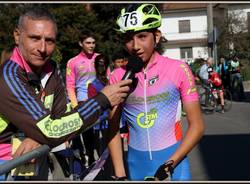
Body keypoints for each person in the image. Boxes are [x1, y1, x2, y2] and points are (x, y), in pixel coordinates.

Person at [0, 8, 132, 180]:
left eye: (49, 41)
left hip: (34, 158)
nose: (42, 48)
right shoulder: (9, 75)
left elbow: (64, 118)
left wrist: (38, 136)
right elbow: (52, 131)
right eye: (35, 38)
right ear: (17, 36)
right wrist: (102, 101)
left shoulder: (51, 68)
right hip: (5, 166)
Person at [107, 3, 204, 181]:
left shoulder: (178, 69)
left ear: (156, 36)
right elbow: (112, 128)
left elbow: (197, 126)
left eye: (142, 36)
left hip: (174, 164)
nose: (135, 45)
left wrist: (171, 163)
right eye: (128, 38)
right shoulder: (118, 76)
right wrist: (120, 174)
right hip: (136, 164)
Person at [66, 30, 99, 170]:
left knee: (101, 131)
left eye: (93, 43)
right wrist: (75, 105)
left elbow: (107, 79)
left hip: (100, 98)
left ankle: (102, 158)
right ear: (81, 44)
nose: (91, 45)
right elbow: (70, 85)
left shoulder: (100, 58)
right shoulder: (72, 62)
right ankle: (90, 157)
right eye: (88, 43)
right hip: (82, 101)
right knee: (87, 132)